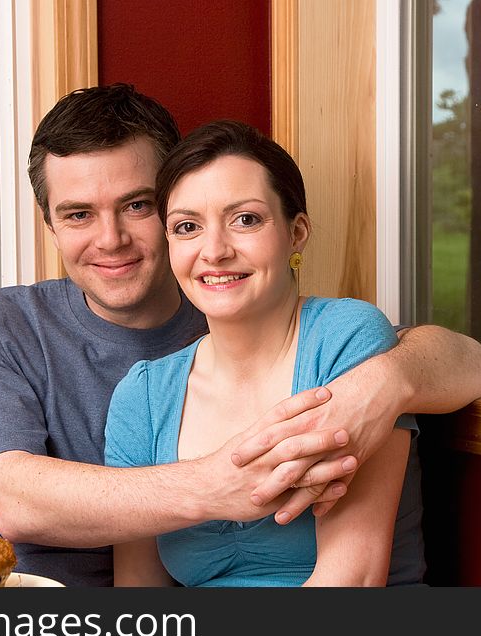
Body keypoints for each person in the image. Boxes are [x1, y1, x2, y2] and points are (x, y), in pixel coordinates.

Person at [0, 83, 481, 587]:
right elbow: (11, 501)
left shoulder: (280, 319)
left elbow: (463, 360)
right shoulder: (10, 337)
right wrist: (214, 485)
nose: (111, 239)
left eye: (138, 205)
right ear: (49, 224)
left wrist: (391, 378)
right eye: (78, 214)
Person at [105, 120, 421, 586]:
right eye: (187, 227)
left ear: (296, 233)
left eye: (245, 219)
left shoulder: (344, 340)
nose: (214, 251)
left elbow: (352, 579)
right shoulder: (143, 395)